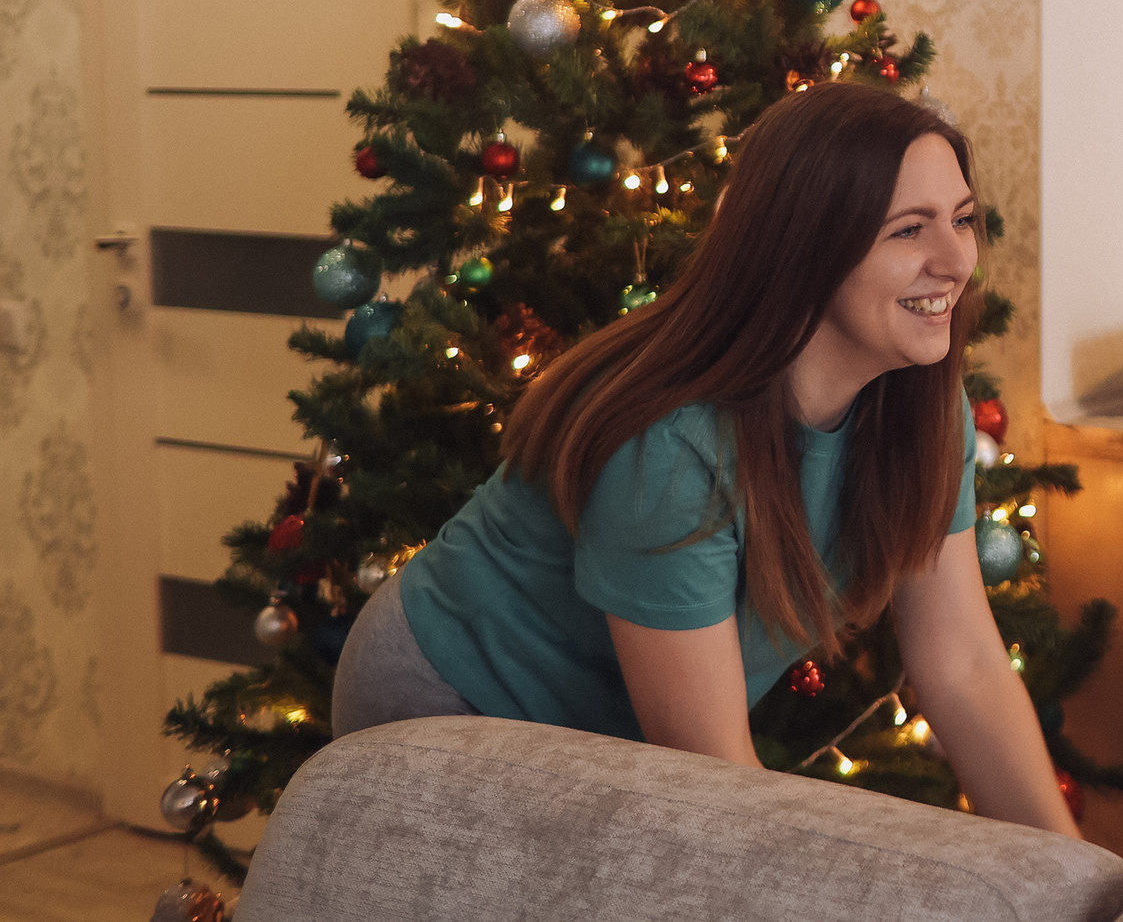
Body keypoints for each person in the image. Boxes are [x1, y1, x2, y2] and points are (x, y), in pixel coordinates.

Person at [330, 83, 1078, 835]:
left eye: (961, 219)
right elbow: (714, 776)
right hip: (452, 699)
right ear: (805, 248)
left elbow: (964, 667)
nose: (956, 260)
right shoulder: (674, 445)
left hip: (604, 732)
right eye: (909, 230)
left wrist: (1078, 873)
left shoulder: (924, 404)